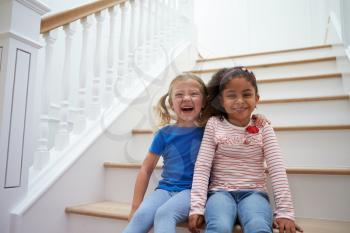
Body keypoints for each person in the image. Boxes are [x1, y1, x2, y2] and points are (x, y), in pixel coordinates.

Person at [123, 72, 268, 233]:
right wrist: (136, 206)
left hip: (193, 191)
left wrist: (256, 118)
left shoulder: (211, 129)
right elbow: (146, 169)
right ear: (171, 103)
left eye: (193, 94)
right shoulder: (164, 134)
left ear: (205, 102)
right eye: (179, 95)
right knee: (141, 215)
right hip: (164, 189)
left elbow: (236, 117)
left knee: (164, 213)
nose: (186, 98)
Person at [188, 67, 303, 233]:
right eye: (232, 95)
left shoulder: (263, 127)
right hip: (219, 193)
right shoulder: (214, 124)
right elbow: (202, 167)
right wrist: (197, 207)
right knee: (218, 226)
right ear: (221, 101)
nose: (240, 101)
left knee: (259, 226)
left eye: (247, 94)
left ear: (257, 99)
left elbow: (277, 169)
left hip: (254, 194)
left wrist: (285, 212)